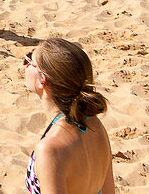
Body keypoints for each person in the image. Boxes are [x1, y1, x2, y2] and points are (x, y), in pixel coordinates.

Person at [23, 38, 115, 194]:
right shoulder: (95, 125)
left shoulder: (50, 150)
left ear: (42, 81)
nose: (25, 63)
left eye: (29, 59)